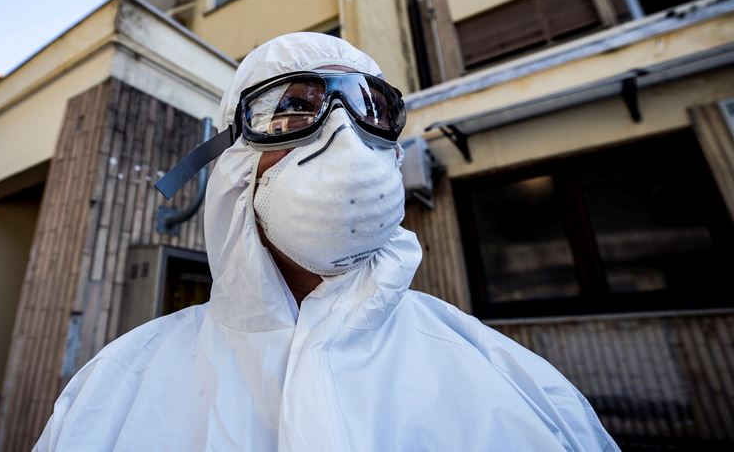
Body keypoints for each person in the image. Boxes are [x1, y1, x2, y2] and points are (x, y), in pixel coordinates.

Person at [35, 32, 619, 451]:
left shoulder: (519, 386)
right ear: (235, 162)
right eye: (293, 109)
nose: (344, 138)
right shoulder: (114, 390)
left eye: (371, 109)